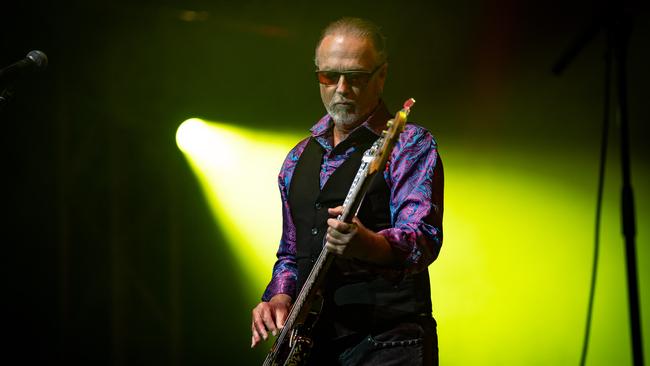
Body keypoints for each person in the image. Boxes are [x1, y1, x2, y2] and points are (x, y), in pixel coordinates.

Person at [251, 17, 444, 365]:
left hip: (388, 345)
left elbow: (423, 239)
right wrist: (279, 297)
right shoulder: (297, 159)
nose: (341, 89)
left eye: (355, 78)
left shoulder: (409, 143)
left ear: (381, 75)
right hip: (316, 347)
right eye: (328, 76)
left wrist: (367, 244)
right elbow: (291, 254)